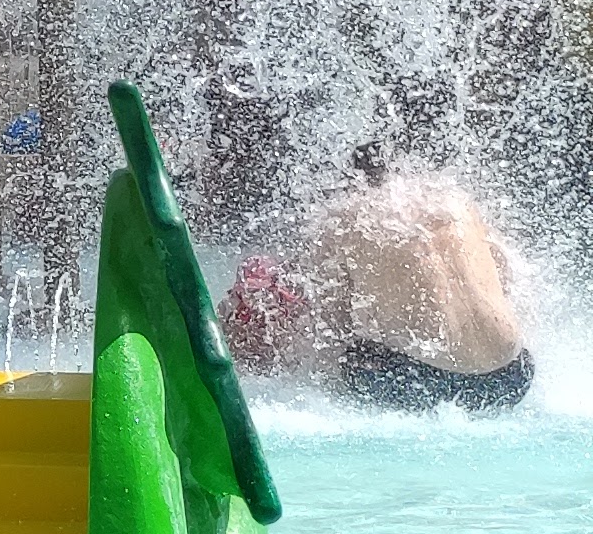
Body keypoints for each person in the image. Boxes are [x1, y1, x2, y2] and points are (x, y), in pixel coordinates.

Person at [229, 141, 534, 412]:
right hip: (510, 378)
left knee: (351, 356)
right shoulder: (456, 203)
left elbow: (331, 326)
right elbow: (506, 275)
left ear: (351, 182)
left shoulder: (344, 217)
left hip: (419, 385)